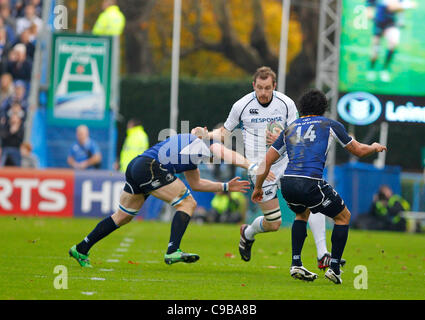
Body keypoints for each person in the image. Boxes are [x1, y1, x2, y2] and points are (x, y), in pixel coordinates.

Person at [252, 89, 387, 284]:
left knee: (302, 214)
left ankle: (296, 263)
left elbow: (267, 160)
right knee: (343, 217)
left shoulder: (290, 128)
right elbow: (357, 150)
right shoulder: (329, 125)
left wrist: (258, 187)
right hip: (310, 182)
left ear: (302, 107)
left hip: (288, 182)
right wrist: (374, 147)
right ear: (323, 108)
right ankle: (334, 268)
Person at [205, 66, 333, 269]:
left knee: (313, 202)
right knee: (273, 223)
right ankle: (247, 233)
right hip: (260, 167)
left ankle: (323, 253)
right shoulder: (241, 105)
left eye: (267, 88)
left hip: (286, 163)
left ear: (274, 85)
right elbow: (224, 133)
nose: (263, 92)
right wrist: (205, 134)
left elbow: (297, 133)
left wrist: (283, 139)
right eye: (259, 88)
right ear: (253, 86)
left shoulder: (286, 103)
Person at [69, 128, 251, 268]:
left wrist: (226, 186)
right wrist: (251, 165)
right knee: (188, 203)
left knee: (122, 216)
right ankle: (173, 250)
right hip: (150, 166)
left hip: (137, 165)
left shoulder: (190, 150)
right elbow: (220, 149)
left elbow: (196, 184)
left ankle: (81, 248)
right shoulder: (203, 144)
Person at [367, 0, 417, 82]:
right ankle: (371, 69)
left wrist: (401, 18)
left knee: (393, 43)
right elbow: (391, 6)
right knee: (375, 50)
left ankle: (384, 70)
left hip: (391, 22)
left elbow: (409, 4)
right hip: (379, 22)